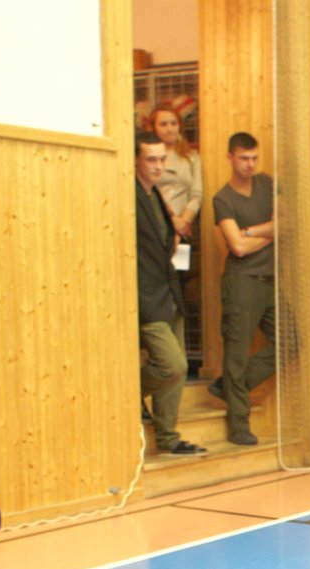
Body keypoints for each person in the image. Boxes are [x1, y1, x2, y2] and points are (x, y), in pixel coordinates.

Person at [134, 132, 205, 456]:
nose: (158, 166)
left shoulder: (156, 196)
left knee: (179, 371)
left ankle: (168, 437)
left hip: (168, 292)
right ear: (136, 160)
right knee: (172, 365)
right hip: (146, 297)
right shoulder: (131, 196)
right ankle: (129, 393)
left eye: (162, 159)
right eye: (151, 159)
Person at [210, 132, 276, 445]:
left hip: (270, 280)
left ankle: (228, 386)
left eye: (254, 158)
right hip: (240, 282)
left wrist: (249, 232)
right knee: (236, 355)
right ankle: (238, 426)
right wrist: (268, 233)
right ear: (230, 158)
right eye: (243, 158)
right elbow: (236, 247)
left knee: (292, 341)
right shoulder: (223, 199)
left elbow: (285, 224)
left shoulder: (267, 184)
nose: (250, 164)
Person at [150, 105, 203, 242]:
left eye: (174, 123)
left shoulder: (192, 157)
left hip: (184, 228)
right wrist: (172, 220)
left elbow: (197, 194)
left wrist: (184, 222)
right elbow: (150, 192)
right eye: (163, 124)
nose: (170, 129)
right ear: (154, 128)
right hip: (155, 224)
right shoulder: (149, 157)